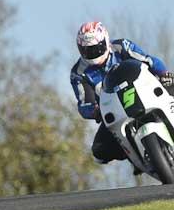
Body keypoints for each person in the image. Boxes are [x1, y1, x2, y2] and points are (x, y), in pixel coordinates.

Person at [70, 21, 174, 165]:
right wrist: (93, 110)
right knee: (100, 151)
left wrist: (164, 74)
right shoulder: (79, 73)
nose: (93, 54)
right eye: (87, 50)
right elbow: (84, 102)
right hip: (115, 109)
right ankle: (135, 154)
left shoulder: (122, 46)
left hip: (145, 91)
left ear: (105, 40)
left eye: (96, 48)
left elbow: (149, 60)